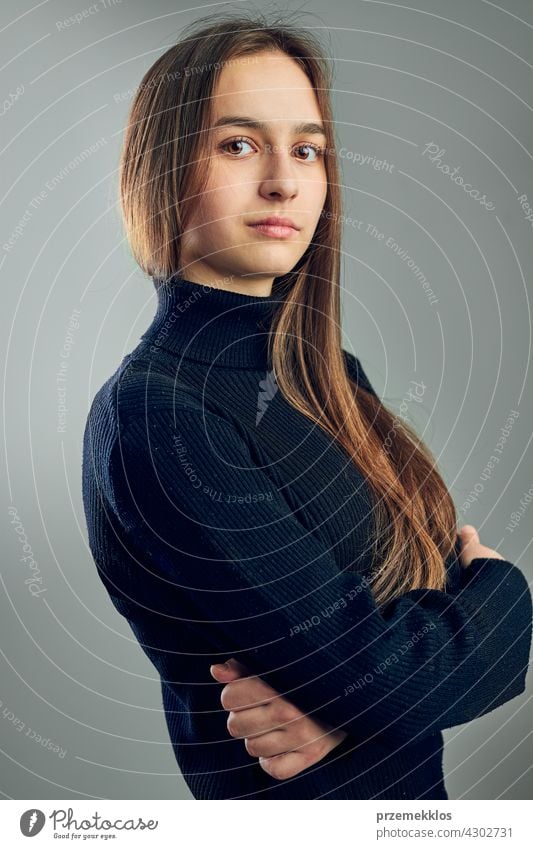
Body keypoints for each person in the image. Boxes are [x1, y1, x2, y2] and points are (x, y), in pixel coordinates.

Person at [82, 12, 532, 799]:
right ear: (162, 166)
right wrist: (503, 597)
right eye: (238, 144)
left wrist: (356, 698)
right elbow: (387, 679)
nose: (284, 181)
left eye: (306, 149)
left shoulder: (322, 374)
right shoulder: (160, 415)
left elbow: (377, 667)